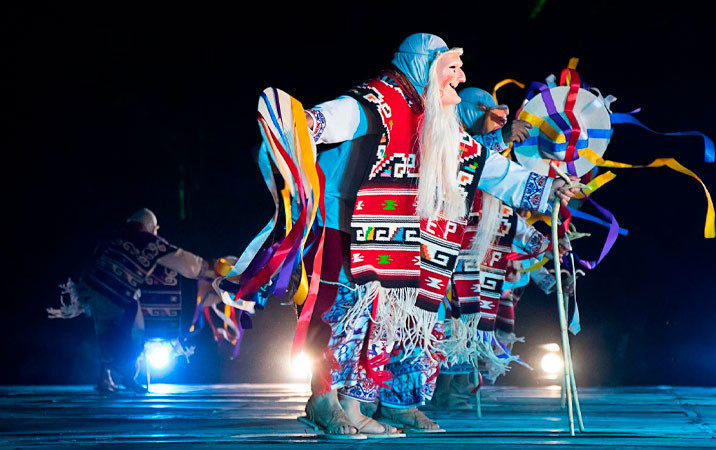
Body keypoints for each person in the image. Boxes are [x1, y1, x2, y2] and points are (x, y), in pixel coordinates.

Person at [277, 33, 578, 437]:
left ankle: (355, 403)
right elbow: (343, 115)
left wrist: (545, 191)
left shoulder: (434, 119)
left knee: (380, 320)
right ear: (425, 65)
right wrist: (313, 122)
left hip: (397, 234)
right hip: (343, 221)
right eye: (451, 69)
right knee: (343, 313)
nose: (459, 77)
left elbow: (486, 166)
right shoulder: (380, 99)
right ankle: (325, 400)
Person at [47, 208, 213, 393]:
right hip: (117, 295)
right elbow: (181, 259)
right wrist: (208, 268)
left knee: (103, 334)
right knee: (136, 334)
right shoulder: (147, 241)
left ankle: (105, 378)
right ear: (152, 227)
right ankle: (128, 375)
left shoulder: (114, 238)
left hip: (94, 290)